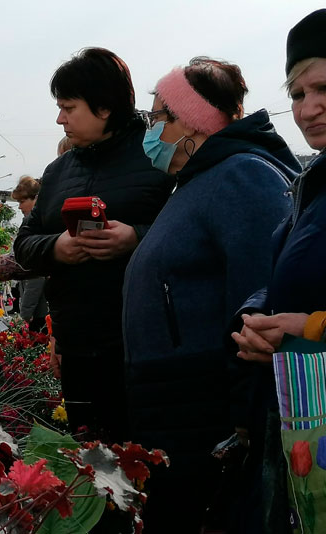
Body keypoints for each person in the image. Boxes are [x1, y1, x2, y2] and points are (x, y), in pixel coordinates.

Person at [119, 58, 298, 533]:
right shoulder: (196, 181)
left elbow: (257, 302)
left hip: (205, 411)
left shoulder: (243, 176)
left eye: (159, 116)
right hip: (174, 408)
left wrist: (241, 420)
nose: (151, 128)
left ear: (191, 125)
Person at [13, 48, 172, 443]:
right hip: (79, 346)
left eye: (68, 107)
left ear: (103, 108)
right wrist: (57, 248)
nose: (59, 118)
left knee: (144, 460)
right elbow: (24, 244)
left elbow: (192, 232)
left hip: (144, 347)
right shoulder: (58, 171)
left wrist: (135, 237)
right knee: (91, 461)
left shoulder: (159, 159)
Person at [229, 9, 326, 533]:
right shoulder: (312, 183)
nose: (308, 109)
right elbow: (290, 276)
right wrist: (257, 313)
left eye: (323, 88)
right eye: (296, 94)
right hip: (300, 421)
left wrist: (308, 326)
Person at [0, 175, 48, 331]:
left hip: (39, 312)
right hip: (36, 309)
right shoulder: (32, 224)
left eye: (22, 202)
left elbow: (37, 275)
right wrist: (2, 265)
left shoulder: (40, 227)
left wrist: (25, 315)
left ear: (36, 199)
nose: (19, 207)